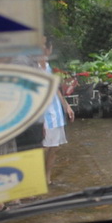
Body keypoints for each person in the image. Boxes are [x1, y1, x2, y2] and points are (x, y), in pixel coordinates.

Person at [40, 37, 75, 185]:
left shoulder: (48, 67)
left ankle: (47, 178)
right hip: (43, 114)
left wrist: (66, 106)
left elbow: (55, 89)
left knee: (54, 147)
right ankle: (36, 179)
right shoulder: (33, 68)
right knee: (42, 148)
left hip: (55, 112)